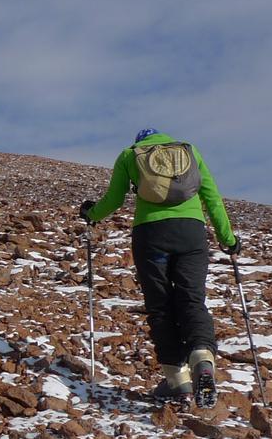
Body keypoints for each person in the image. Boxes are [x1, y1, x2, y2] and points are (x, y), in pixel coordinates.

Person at [79, 128, 239, 406]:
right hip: (191, 233)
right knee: (191, 298)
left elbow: (114, 200)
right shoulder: (189, 151)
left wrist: (91, 214)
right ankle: (202, 359)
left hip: (151, 236)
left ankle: (178, 381)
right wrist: (229, 239)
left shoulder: (130, 155)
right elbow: (212, 197)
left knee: (161, 305)